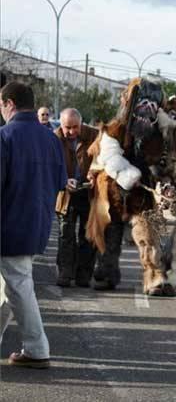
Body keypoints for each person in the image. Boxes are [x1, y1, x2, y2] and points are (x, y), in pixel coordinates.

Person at [0, 81, 67, 369]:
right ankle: (35, 347)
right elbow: (61, 182)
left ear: (9, 104)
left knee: (17, 285)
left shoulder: (5, 136)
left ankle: (37, 348)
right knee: (11, 285)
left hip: (8, 223)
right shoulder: (51, 138)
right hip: (38, 222)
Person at [54, 108, 99, 288]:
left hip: (89, 193)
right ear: (61, 125)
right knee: (66, 234)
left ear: (81, 124)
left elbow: (105, 159)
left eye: (75, 127)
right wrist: (64, 180)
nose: (72, 132)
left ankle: (84, 274)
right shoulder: (54, 138)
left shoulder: (96, 136)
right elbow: (51, 164)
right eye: (67, 128)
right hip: (65, 193)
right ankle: (65, 272)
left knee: (88, 236)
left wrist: (94, 173)